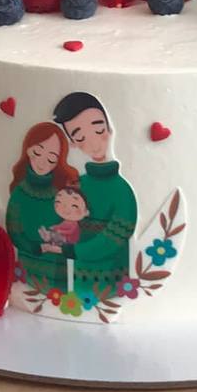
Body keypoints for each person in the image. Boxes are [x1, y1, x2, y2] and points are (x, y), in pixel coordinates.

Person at [49, 92, 138, 296]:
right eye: (80, 137)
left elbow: (115, 236)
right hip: (78, 276)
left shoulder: (122, 190)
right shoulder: (77, 185)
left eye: (99, 130)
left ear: (110, 129)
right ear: (72, 143)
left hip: (112, 279)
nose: (93, 142)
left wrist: (75, 251)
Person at [4, 122, 78, 290]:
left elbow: (73, 228)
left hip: (58, 271)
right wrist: (38, 247)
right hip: (28, 269)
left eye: (51, 158)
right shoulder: (19, 194)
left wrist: (63, 245)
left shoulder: (61, 194)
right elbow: (15, 233)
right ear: (28, 149)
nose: (42, 162)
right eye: (37, 152)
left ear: (59, 160)